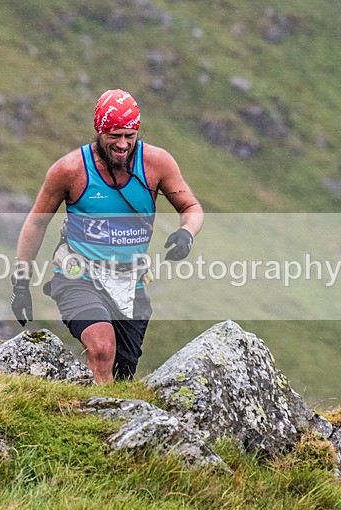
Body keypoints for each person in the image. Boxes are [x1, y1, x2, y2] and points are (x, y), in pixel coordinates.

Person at [11, 89, 203, 384]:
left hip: (130, 282)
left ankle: (104, 417)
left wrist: (186, 233)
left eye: (130, 135)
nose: (123, 144)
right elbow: (37, 223)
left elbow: (191, 207)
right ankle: (95, 420)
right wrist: (21, 283)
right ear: (99, 130)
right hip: (78, 277)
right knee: (101, 348)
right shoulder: (70, 170)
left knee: (122, 375)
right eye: (114, 136)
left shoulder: (157, 164)